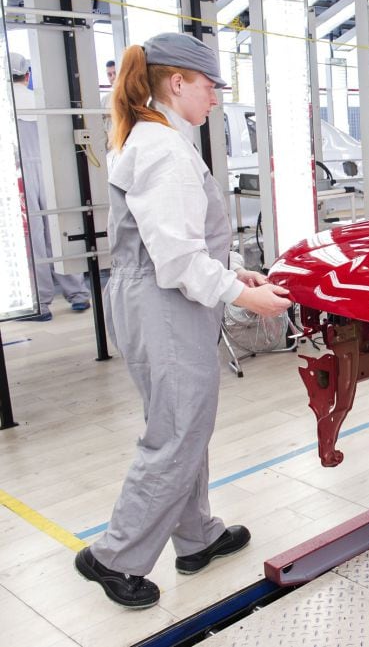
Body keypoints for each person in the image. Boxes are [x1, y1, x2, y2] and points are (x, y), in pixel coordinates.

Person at [74, 33, 292, 608]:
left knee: (183, 421)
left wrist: (232, 272)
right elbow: (175, 261)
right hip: (164, 305)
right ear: (177, 83)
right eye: (209, 85)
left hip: (155, 298)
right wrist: (245, 298)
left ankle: (196, 538)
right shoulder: (163, 149)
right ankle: (113, 556)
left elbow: (172, 242)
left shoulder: (153, 139)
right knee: (176, 432)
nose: (215, 98)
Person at [12, 53, 92, 320]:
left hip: (20, 173)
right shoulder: (40, 101)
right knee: (60, 230)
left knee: (32, 237)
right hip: (53, 171)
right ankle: (78, 294)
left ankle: (41, 302)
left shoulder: (6, 103)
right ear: (28, 74)